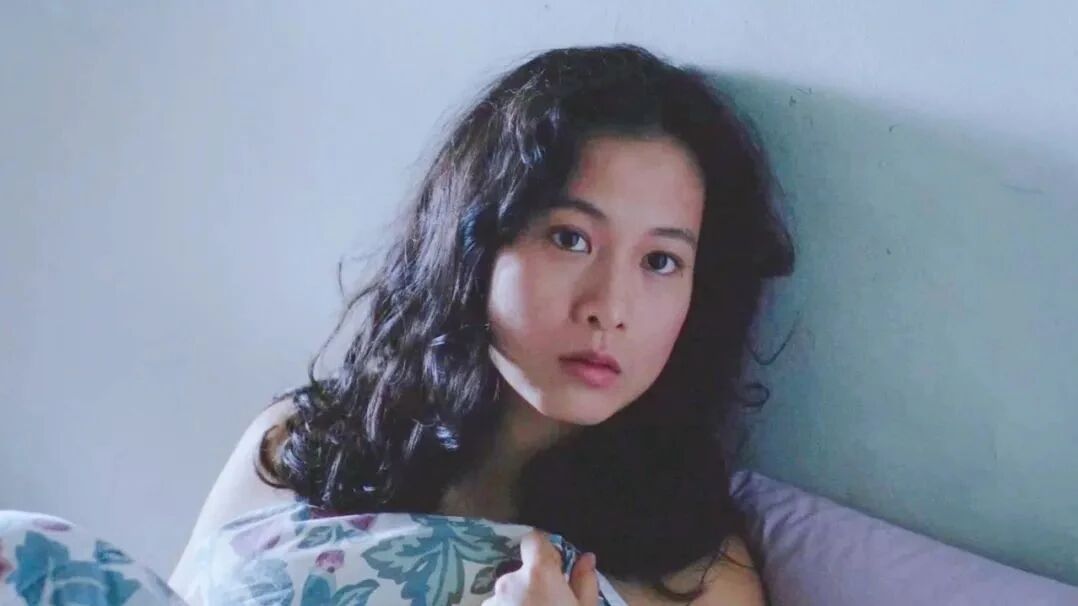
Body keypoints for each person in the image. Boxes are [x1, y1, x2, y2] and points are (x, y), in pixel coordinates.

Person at [169, 43, 794, 605]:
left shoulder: (698, 580)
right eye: (570, 238)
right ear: (475, 244)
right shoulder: (297, 441)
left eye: (660, 261)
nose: (609, 307)